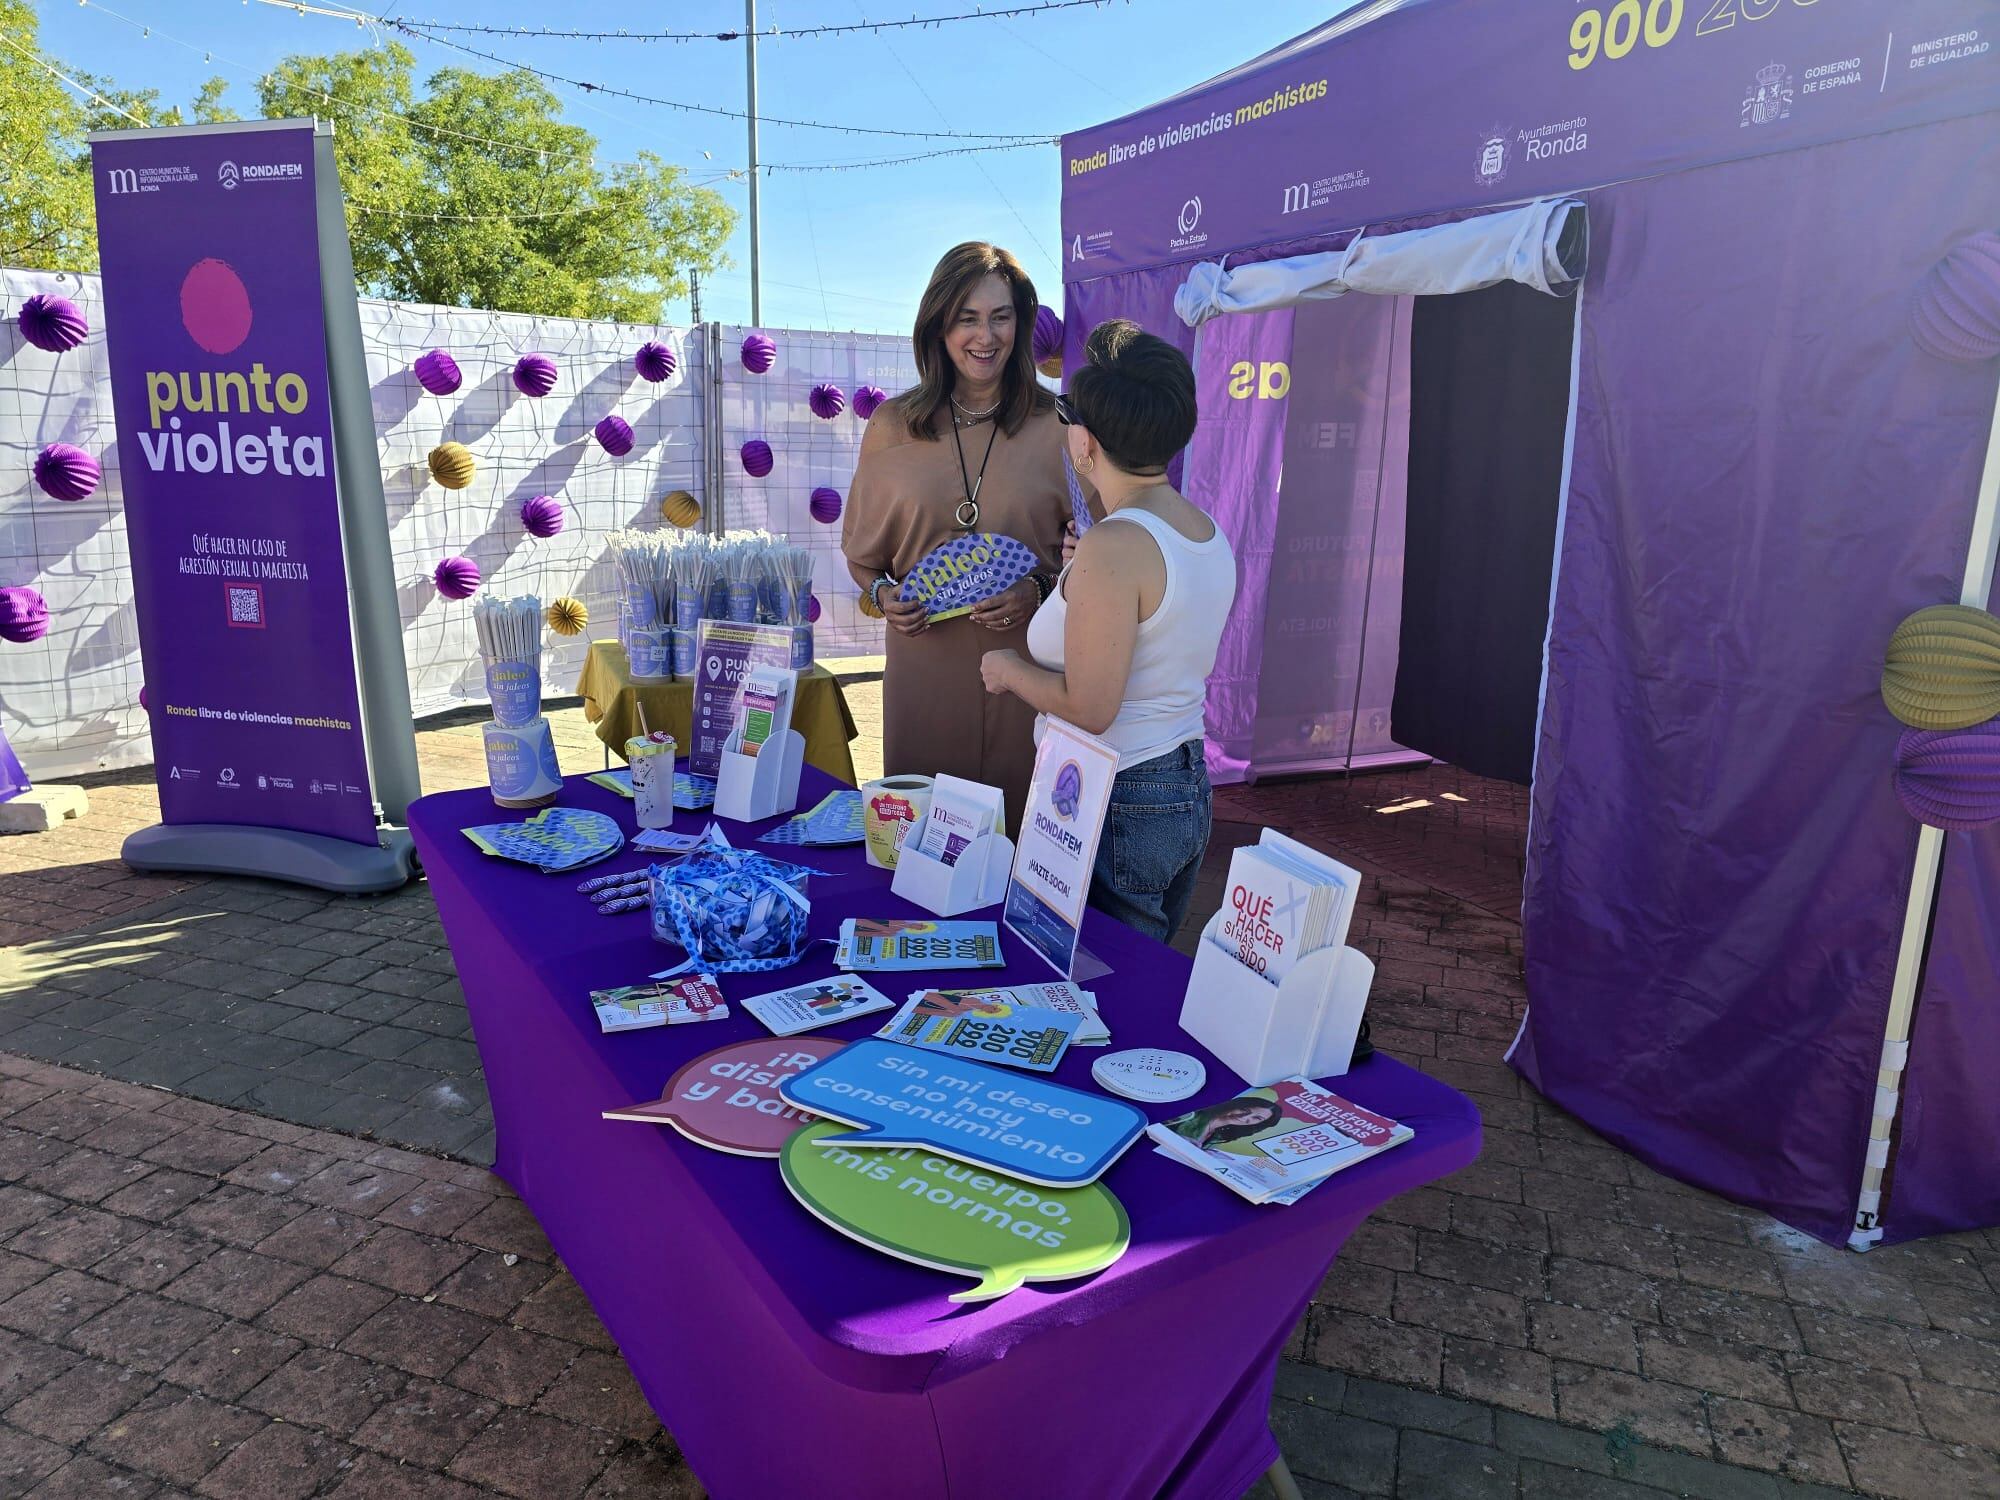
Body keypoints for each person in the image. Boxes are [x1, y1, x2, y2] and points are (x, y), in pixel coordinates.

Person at [980, 320, 1236, 942]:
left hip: (1116, 792)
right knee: (1135, 973)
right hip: (1178, 780)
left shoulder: (1116, 545)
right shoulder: (1201, 529)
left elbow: (1091, 707)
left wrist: (1011, 670)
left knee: (1103, 987)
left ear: (1086, 443)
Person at [842, 243, 1068, 832]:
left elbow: (1094, 559)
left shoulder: (1060, 426)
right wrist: (883, 597)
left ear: (1021, 323)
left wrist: (1040, 589)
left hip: (1030, 672)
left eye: (1000, 316)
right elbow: (864, 564)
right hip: (924, 673)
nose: (984, 336)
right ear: (939, 326)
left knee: (1023, 844)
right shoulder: (892, 426)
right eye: (966, 318)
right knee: (921, 845)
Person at [1169, 1096, 1283, 1150]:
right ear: (1235, 1106)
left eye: (1257, 1118)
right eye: (1244, 1110)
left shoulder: (1221, 1136)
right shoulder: (1192, 1116)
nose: (1244, 1117)